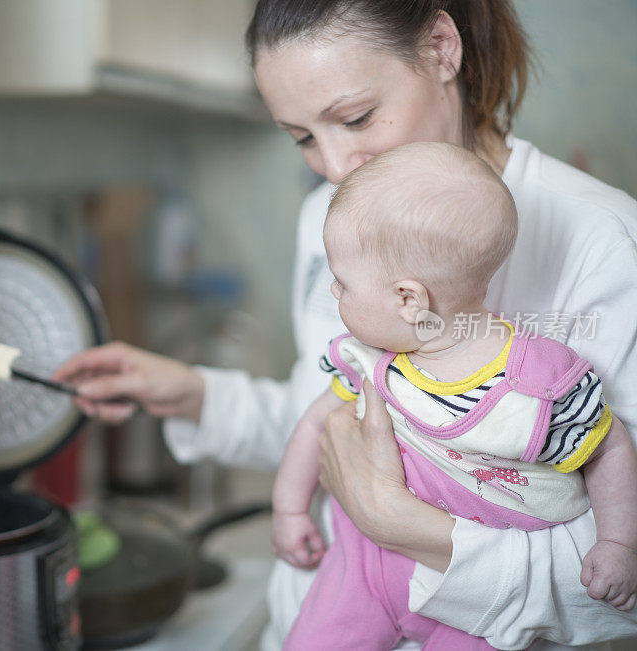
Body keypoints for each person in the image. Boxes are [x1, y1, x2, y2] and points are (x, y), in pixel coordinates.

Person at [53, 1, 637, 648]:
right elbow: (342, 414)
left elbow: (619, 587)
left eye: (356, 117)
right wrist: (195, 395)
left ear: (443, 47)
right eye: (302, 137)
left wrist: (401, 524)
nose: (334, 169)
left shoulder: (603, 242)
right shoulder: (332, 222)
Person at [272, 142, 637, 650]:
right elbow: (315, 423)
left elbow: (610, 446)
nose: (335, 294)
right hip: (360, 568)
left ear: (408, 298)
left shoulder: (534, 385)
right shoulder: (371, 356)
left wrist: (618, 542)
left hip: (472, 603)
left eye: (343, 283)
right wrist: (290, 509)